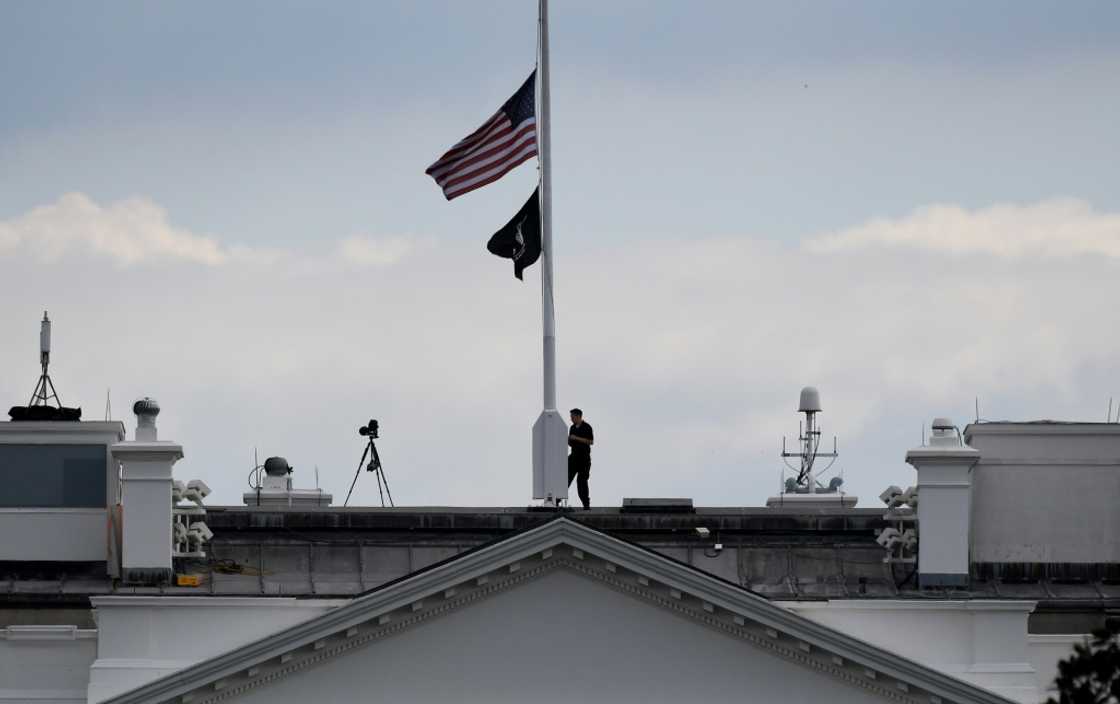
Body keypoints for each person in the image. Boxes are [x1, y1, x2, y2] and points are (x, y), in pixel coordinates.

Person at [567, 408, 594, 510]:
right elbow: (571, 444)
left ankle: (586, 505)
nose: (571, 419)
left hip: (584, 459)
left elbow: (591, 441)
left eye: (572, 417)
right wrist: (568, 440)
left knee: (582, 482)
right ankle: (556, 501)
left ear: (578, 416)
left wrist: (576, 438)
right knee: (566, 479)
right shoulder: (572, 428)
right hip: (574, 457)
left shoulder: (587, 427)